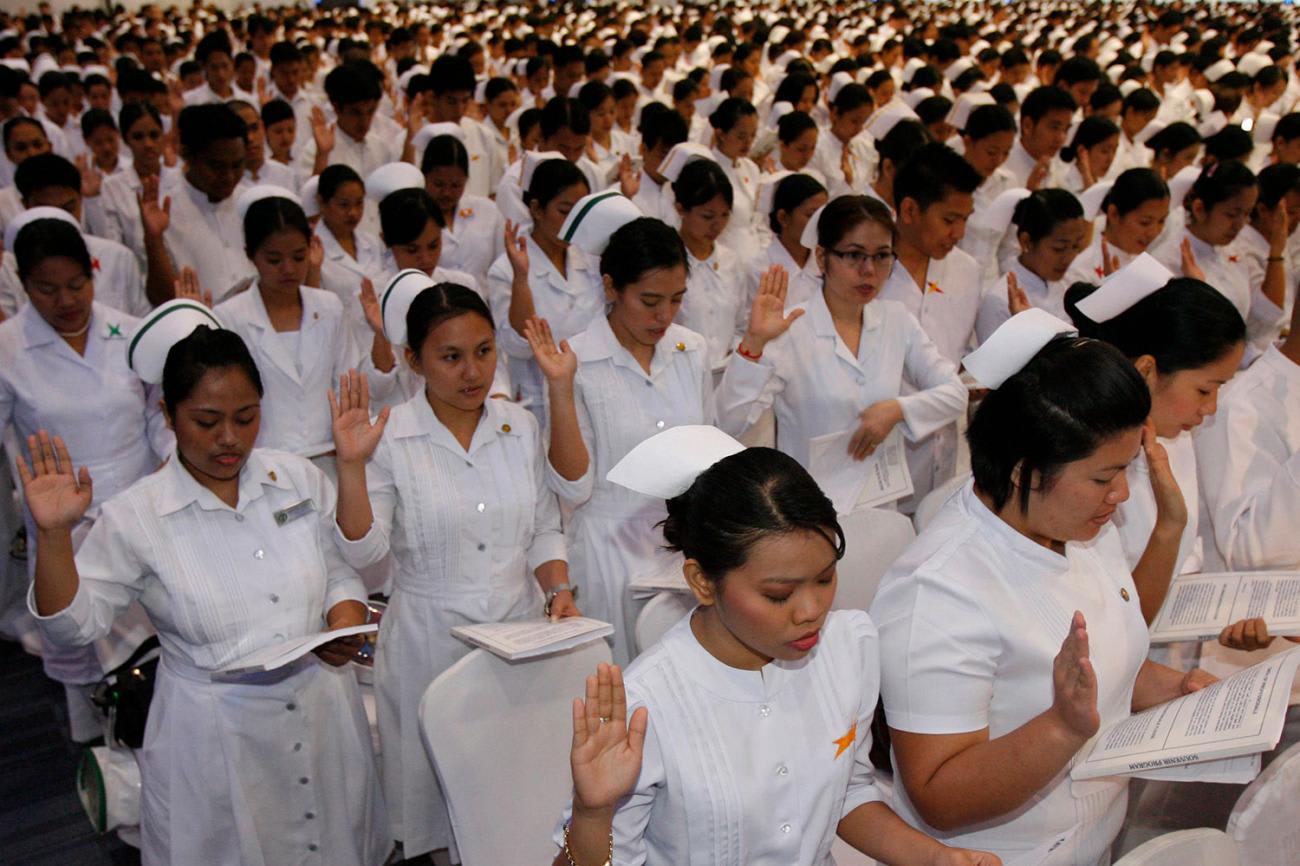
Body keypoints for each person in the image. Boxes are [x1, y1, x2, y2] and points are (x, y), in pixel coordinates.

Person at [22, 307, 388, 865]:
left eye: (246, 418)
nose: (229, 439)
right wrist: (53, 538)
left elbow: (339, 567)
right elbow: (74, 627)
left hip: (321, 709)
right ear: (167, 414)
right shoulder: (138, 516)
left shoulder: (294, 476)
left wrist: (340, 620)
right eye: (206, 420)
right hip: (215, 731)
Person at [554, 425, 1000, 866]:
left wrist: (935, 858)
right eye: (778, 594)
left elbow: (848, 791)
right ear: (703, 582)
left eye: (825, 578)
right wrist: (593, 814)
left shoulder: (848, 648)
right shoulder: (645, 706)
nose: (811, 610)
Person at [871, 310, 1215, 866]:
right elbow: (938, 793)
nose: (1121, 495)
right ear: (1024, 469)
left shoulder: (1068, 522)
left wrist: (1181, 692)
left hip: (1095, 833)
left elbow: (1103, 656)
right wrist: (1060, 728)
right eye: (1104, 477)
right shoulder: (937, 592)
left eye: (1126, 469)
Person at [331, 276, 575, 860]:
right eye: (451, 357)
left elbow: (543, 527)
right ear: (414, 360)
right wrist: (351, 468)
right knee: (443, 810)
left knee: (517, 797)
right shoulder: (389, 439)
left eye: (484, 352)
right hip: (428, 643)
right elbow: (365, 553)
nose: (473, 372)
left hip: (518, 635)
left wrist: (558, 588)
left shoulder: (519, 426)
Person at [0, 216, 170, 740]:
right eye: (47, 289)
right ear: (23, 284)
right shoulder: (8, 348)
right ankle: (100, 759)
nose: (67, 300)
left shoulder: (127, 331)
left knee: (158, 646)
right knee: (81, 642)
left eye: (78, 284)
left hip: (139, 506)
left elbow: (156, 413)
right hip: (63, 521)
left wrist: (170, 458)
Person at [526, 213, 711, 664]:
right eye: (649, 301)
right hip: (609, 554)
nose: (664, 315)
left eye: (676, 299)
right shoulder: (576, 360)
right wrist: (560, 388)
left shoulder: (692, 349)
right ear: (611, 287)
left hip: (682, 552)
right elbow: (572, 487)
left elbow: (707, 449)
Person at [716, 195, 965, 498]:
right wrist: (753, 344)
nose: (869, 270)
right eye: (854, 255)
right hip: (809, 512)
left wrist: (897, 409)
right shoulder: (790, 329)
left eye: (882, 255)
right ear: (822, 258)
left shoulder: (897, 320)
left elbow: (955, 394)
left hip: (880, 508)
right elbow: (729, 423)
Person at [1065, 259, 1246, 617]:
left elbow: (1185, 557)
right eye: (1204, 390)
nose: (1211, 408)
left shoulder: (1172, 437)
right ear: (1147, 371)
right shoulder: (1082, 460)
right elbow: (1108, 616)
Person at [215, 187, 396, 469]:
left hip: (331, 458)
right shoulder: (230, 317)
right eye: (274, 260)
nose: (288, 268)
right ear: (250, 255)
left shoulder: (329, 307)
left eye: (299, 257)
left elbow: (347, 383)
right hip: (263, 464)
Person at [879, 143, 983, 507]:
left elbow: (961, 350)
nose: (958, 232)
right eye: (949, 219)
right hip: (884, 444)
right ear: (909, 210)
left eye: (965, 220)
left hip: (948, 445)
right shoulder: (870, 273)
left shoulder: (967, 270)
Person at [487, 156, 600, 419]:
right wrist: (521, 277)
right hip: (537, 401)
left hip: (592, 394)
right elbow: (518, 345)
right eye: (564, 211)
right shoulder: (505, 270)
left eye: (579, 213)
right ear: (537, 209)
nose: (572, 222)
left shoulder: (590, 260)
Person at [1150, 161, 1281, 359]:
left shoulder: (1236, 250)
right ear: (1200, 208)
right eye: (1231, 214)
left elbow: (1264, 317)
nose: (1240, 224)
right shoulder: (1166, 260)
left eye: (1246, 214)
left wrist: (1277, 251)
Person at [150, 103, 255, 306]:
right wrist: (153, 240)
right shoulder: (163, 213)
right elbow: (158, 298)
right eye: (217, 166)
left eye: (237, 165)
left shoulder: (252, 203)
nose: (229, 176)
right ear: (188, 155)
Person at [976, 189, 1088, 343]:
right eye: (1059, 249)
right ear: (1026, 241)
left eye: (1076, 246)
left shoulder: (1071, 282)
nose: (1068, 258)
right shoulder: (1000, 301)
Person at [670, 156, 746, 371]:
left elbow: (741, 324)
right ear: (681, 208)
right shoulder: (663, 262)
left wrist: (733, 353)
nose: (717, 225)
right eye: (707, 216)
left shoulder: (732, 262)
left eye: (724, 215)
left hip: (723, 376)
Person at [421, 132, 505, 286]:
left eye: (455, 186)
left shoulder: (488, 211)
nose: (446, 193)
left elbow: (502, 269)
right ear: (424, 177)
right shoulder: (415, 216)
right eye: (439, 184)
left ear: (466, 180)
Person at [1064, 169, 1170, 286]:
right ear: (1114, 214)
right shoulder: (1081, 272)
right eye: (1145, 222)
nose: (1154, 233)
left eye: (1161, 221)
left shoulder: (1150, 266)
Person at [751, 171, 827, 307]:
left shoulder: (826, 263)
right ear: (783, 217)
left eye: (822, 215)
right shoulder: (759, 269)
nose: (819, 222)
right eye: (810, 215)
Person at [708, 97, 763, 260]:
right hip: (725, 255)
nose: (748, 142)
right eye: (741, 136)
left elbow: (759, 217)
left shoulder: (750, 168)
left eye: (752, 136)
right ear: (721, 134)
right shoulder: (709, 169)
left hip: (755, 253)